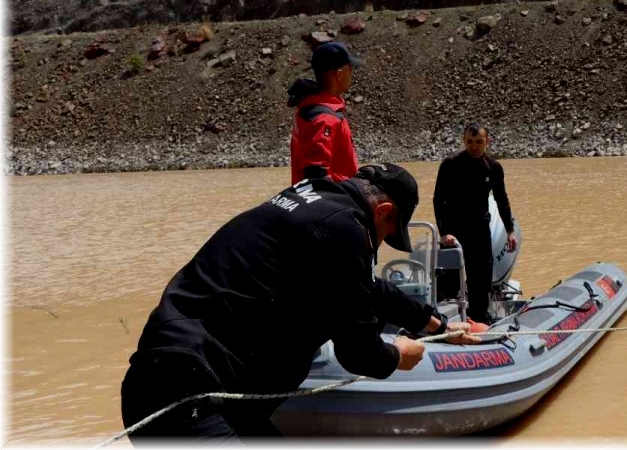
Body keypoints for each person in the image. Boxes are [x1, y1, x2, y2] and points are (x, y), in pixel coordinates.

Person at [119, 164, 479, 441]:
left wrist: (438, 325)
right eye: (387, 234)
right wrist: (398, 355)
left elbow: (369, 288)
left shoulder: (314, 200)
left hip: (176, 383)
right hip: (188, 396)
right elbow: (359, 353)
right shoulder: (345, 229)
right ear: (384, 210)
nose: (380, 243)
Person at [433, 123, 517, 324]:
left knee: (481, 278)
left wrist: (510, 230)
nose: (474, 146)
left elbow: (501, 199)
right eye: (470, 142)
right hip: (454, 230)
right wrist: (444, 232)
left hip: (480, 229)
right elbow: (438, 200)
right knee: (449, 280)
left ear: (487, 141)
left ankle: (478, 318)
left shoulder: (493, 167)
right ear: (464, 141)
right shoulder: (450, 164)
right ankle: (445, 320)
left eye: (479, 141)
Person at [287, 41, 360, 184]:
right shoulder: (325, 119)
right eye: (350, 69)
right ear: (339, 74)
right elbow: (317, 176)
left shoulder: (309, 109)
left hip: (316, 195)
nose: (352, 73)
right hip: (336, 197)